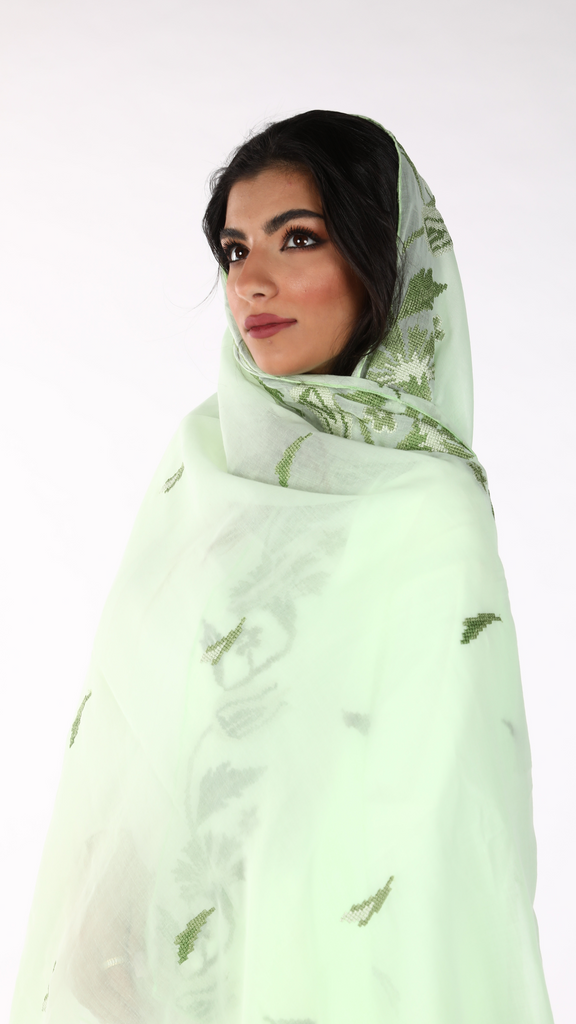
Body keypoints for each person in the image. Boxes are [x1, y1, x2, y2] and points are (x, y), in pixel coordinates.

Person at [9, 110, 554, 1023]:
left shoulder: (430, 510)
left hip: (342, 973)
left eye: (297, 238)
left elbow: (439, 821)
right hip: (161, 973)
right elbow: (144, 724)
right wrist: (105, 919)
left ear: (381, 263)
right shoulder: (205, 465)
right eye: (234, 250)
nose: (249, 282)